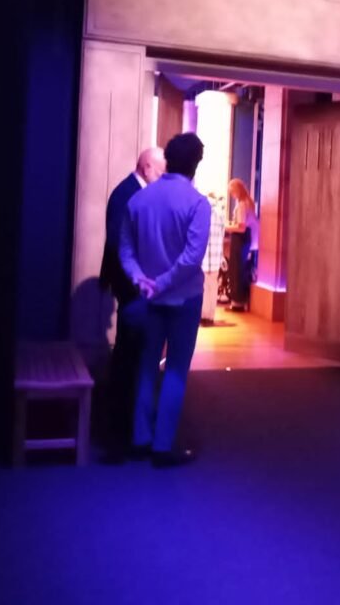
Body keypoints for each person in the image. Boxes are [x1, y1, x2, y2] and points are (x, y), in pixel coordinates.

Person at [120, 133, 210, 467]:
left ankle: (140, 437)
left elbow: (126, 250)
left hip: (149, 298)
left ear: (169, 159)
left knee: (146, 366)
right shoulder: (197, 204)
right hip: (184, 298)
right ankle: (162, 445)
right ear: (196, 163)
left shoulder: (140, 199)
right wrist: (162, 284)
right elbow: (191, 259)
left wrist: (141, 280)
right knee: (175, 370)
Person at [99, 147, 165, 461]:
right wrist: (140, 281)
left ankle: (123, 431)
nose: (163, 178)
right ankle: (120, 433)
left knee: (129, 356)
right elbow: (117, 243)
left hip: (130, 286)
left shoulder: (128, 191)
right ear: (147, 166)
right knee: (128, 359)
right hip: (131, 288)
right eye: (161, 171)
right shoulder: (128, 194)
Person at [224, 178, 259, 311]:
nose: (232, 195)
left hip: (240, 239)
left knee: (236, 269)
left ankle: (237, 302)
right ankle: (239, 301)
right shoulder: (248, 203)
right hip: (246, 239)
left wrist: (227, 227)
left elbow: (241, 227)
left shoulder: (242, 205)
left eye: (232, 192)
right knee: (241, 269)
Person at [200, 192, 226, 326]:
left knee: (204, 287)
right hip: (215, 257)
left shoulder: (201, 212)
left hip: (203, 257)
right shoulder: (220, 215)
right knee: (213, 287)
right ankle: (210, 316)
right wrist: (221, 256)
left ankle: (203, 316)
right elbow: (222, 236)